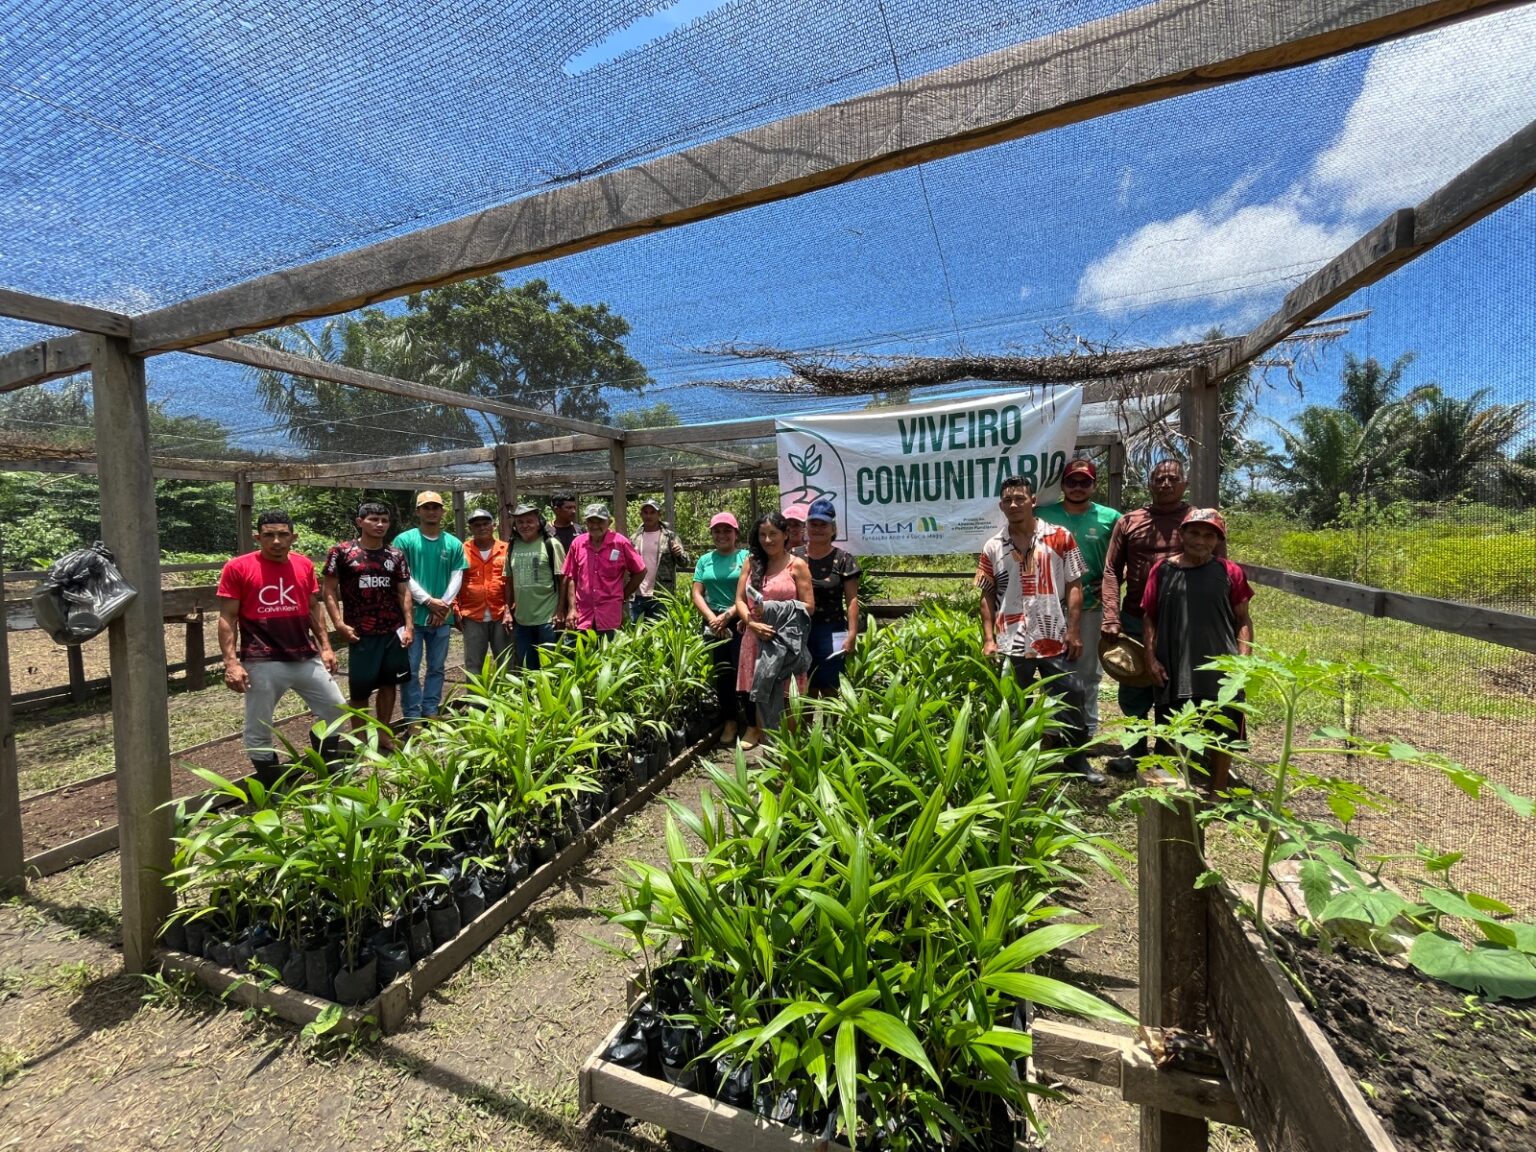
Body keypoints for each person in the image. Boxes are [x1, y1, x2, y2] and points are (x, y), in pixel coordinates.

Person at [1100, 460, 1224, 775]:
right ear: (1149, 484)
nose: (1165, 483)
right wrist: (1111, 614)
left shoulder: (1199, 521)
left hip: (1187, 622)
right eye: (1159, 478)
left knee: (1183, 686)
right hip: (1135, 617)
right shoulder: (1131, 521)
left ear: (1184, 484)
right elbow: (1112, 569)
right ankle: (1134, 752)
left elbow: (1220, 569)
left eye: (1172, 478)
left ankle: (1177, 752)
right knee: (1134, 687)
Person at [976, 476, 1100, 785]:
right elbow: (986, 596)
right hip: (1010, 640)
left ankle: (1077, 761)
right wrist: (989, 639)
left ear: (1033, 501)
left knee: (1072, 696)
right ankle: (1012, 762)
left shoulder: (1060, 537)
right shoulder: (993, 546)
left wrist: (1074, 631)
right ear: (1001, 506)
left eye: (1020, 498)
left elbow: (1074, 585)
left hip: (1054, 636)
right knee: (1011, 703)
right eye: (1008, 500)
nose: (1014, 504)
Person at [217, 510, 346, 784]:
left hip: (304, 654)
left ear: (293, 536)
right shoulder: (238, 567)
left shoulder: (303, 565)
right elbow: (227, 616)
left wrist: (325, 646)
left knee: (336, 708)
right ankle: (272, 787)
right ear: (257, 537)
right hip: (262, 659)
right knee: (259, 726)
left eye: (282, 534)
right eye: (268, 535)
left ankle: (324, 765)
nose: (276, 541)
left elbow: (313, 606)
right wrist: (231, 663)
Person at [1141, 508, 1254, 791]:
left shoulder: (1229, 572)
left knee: (1223, 733)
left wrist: (1243, 661)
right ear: (1182, 534)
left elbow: (1243, 618)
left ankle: (1218, 790)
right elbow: (1150, 616)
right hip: (1175, 664)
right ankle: (1167, 792)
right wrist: (1150, 656)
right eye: (1194, 533)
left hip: (1221, 667)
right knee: (1170, 729)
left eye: (1208, 535)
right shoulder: (1163, 570)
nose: (1200, 541)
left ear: (1217, 541)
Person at [1037, 458, 1122, 749]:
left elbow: (1123, 557)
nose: (1077, 487)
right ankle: (1052, 732)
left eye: (1084, 482)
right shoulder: (1042, 514)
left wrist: (1114, 581)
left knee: (1087, 672)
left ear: (1094, 485)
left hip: (1090, 606)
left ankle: (1085, 733)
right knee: (1050, 671)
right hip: (1047, 606)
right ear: (1062, 485)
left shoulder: (1111, 518)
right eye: (1071, 481)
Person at [322, 502, 415, 745]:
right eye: (374, 519)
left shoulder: (395, 555)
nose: (380, 524)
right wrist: (339, 624)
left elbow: (403, 591)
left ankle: (384, 733)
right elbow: (329, 590)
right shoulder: (341, 553)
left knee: (389, 684)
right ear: (360, 522)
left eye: (384, 520)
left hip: (392, 631)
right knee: (360, 689)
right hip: (360, 633)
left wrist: (409, 625)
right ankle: (361, 740)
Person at [734, 512, 814, 747]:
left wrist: (771, 609)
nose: (767, 540)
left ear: (786, 535)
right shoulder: (751, 562)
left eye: (773, 534)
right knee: (761, 697)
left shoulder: (797, 565)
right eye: (762, 535)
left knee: (787, 701)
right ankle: (770, 753)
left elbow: (809, 607)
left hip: (785, 643)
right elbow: (739, 599)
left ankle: (789, 759)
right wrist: (752, 623)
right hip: (755, 639)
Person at [393, 491, 468, 725]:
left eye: (436, 507)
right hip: (413, 618)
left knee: (437, 668)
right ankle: (412, 715)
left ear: (443, 511)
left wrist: (442, 606)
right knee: (411, 670)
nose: (432, 511)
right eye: (426, 507)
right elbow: (403, 576)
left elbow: (457, 576)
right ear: (418, 511)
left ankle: (431, 708)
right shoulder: (404, 541)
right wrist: (428, 602)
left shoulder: (453, 543)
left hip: (441, 619)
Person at [691, 511, 750, 742]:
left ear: (736, 533)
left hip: (740, 618)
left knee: (743, 670)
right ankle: (730, 721)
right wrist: (712, 618)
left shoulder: (746, 557)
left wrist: (728, 615)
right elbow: (697, 592)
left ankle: (751, 722)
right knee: (723, 672)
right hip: (713, 621)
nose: (722, 534)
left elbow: (749, 592)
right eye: (717, 530)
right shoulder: (705, 560)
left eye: (727, 530)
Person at [795, 498, 860, 697]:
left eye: (823, 525)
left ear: (833, 529)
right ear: (806, 527)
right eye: (813, 524)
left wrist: (852, 634)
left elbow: (852, 600)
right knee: (805, 686)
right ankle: (806, 729)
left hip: (832, 630)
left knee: (831, 685)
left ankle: (830, 728)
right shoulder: (794, 556)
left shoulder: (843, 560)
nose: (817, 529)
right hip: (800, 630)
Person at [558, 503, 645, 638]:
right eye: (591, 521)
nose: (595, 525)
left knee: (608, 656)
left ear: (609, 522)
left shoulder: (620, 543)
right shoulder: (578, 543)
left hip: (609, 616)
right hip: (582, 616)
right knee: (578, 655)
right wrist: (571, 609)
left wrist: (623, 595)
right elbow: (571, 577)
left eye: (600, 521)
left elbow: (640, 571)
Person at [506, 502, 567, 668]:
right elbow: (509, 580)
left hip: (547, 619)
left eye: (529, 521)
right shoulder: (512, 546)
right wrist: (507, 611)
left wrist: (560, 611)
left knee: (551, 668)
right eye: (520, 522)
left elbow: (563, 580)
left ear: (539, 522)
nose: (525, 525)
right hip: (522, 620)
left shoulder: (550, 544)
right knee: (528, 669)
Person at [455, 508, 511, 674]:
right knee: (473, 662)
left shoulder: (506, 549)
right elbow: (454, 579)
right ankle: (475, 700)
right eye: (477, 525)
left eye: (486, 523)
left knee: (506, 660)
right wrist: (455, 606)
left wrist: (509, 608)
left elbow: (511, 582)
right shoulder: (462, 550)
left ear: (493, 525)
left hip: (501, 613)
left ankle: (507, 696)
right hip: (472, 614)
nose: (482, 527)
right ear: (471, 529)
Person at [630, 498, 690, 623]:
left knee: (661, 635)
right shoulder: (635, 538)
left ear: (659, 515)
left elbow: (684, 562)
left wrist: (679, 554)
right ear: (641, 515)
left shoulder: (669, 536)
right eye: (645, 512)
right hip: (638, 595)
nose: (648, 516)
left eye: (652, 512)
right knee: (638, 637)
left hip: (661, 595)